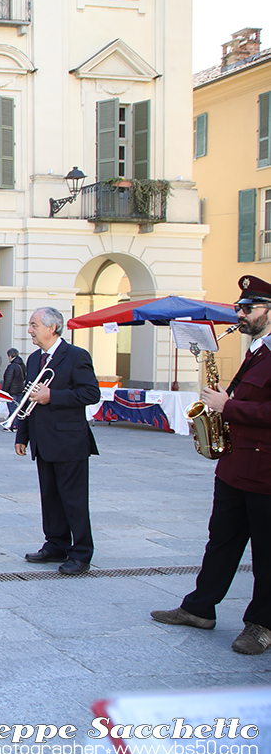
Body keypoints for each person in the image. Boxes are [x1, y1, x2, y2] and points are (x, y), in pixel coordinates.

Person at [151, 275, 271, 655]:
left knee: (266, 552)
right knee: (221, 541)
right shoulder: (257, 350)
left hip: (266, 471)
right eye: (240, 307)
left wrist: (227, 406)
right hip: (236, 466)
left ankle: (262, 625)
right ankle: (200, 608)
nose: (240, 314)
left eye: (248, 308)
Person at [15, 306, 101, 575]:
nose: (30, 330)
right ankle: (55, 544)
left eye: (34, 325)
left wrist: (54, 396)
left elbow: (91, 393)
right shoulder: (33, 359)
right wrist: (23, 434)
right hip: (43, 440)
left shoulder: (76, 356)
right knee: (50, 497)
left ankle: (82, 552)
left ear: (52, 328)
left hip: (69, 441)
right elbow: (30, 398)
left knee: (73, 500)